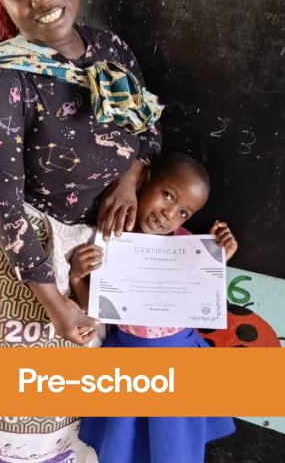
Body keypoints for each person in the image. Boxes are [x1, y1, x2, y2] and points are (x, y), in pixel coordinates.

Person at [0, 0, 162, 463]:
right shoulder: (2, 80)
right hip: (22, 266)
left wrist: (131, 179)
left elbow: (149, 127)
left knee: (70, 412)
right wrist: (57, 304)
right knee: (13, 412)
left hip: (91, 255)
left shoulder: (109, 49)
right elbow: (3, 213)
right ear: (2, 1)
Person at [73, 153, 238, 463]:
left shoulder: (188, 245)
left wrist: (216, 262)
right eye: (167, 196)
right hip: (127, 366)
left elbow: (203, 314)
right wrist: (76, 276)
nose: (168, 214)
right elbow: (93, 310)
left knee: (174, 449)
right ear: (144, 180)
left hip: (180, 367)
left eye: (183, 212)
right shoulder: (113, 239)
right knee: (121, 448)